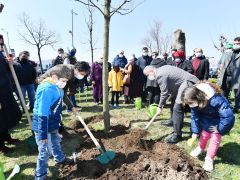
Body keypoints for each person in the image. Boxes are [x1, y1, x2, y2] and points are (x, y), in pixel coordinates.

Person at [181, 82, 235, 172]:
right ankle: (200, 148)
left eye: (191, 103)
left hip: (218, 122)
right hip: (207, 120)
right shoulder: (195, 101)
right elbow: (195, 116)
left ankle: (209, 159)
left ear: (198, 97)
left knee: (214, 140)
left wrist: (219, 128)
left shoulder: (216, 100)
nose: (190, 106)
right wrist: (195, 132)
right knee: (204, 135)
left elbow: (228, 116)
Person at [32, 66, 74, 179]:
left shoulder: (58, 87)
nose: (64, 84)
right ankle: (40, 175)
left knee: (56, 142)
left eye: (66, 81)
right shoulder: (46, 89)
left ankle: (60, 159)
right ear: (54, 77)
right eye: (63, 81)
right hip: (43, 124)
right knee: (44, 152)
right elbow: (42, 114)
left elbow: (58, 104)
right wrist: (42, 134)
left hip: (53, 122)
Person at [143, 65, 199, 143]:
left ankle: (177, 135)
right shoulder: (162, 69)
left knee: (177, 108)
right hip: (184, 83)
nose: (148, 77)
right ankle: (175, 124)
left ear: (151, 71)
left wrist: (160, 106)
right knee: (174, 103)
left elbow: (164, 92)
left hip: (189, 82)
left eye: (147, 75)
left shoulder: (159, 75)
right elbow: (174, 81)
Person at [0, 35, 22, 153]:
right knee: (0, 120)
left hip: (6, 91)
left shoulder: (1, 55)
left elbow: (8, 71)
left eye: (1, 44)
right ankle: (1, 146)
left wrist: (10, 63)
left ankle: (7, 137)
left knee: (8, 116)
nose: (1, 46)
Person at [217, 37, 240, 113]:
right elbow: (222, 64)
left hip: (237, 77)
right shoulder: (228, 53)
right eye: (234, 43)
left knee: (237, 95)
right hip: (226, 76)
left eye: (237, 44)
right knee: (224, 93)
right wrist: (220, 75)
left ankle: (236, 108)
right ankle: (224, 107)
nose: (235, 45)